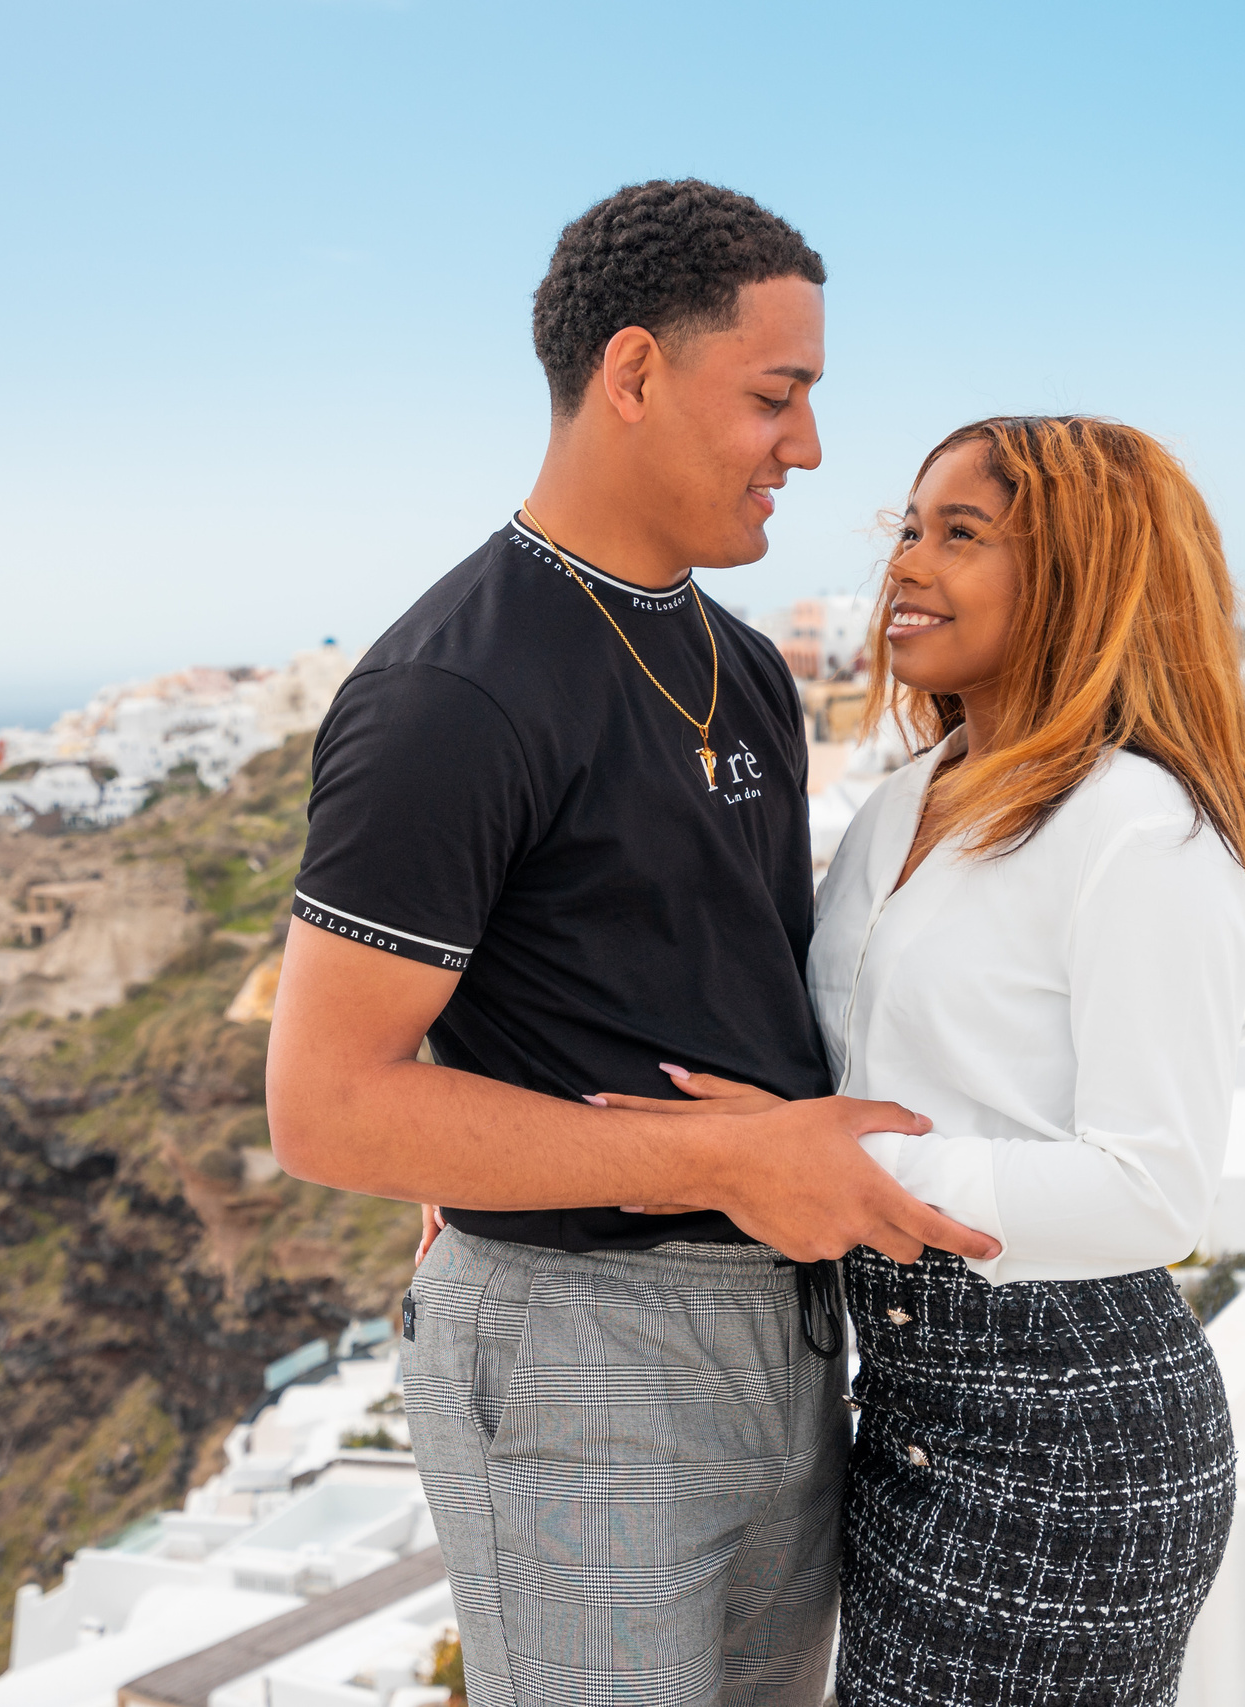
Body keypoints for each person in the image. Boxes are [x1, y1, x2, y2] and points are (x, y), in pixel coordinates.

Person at [263, 180, 999, 1707]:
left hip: (784, 1336)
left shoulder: (739, 663)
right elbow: (325, 1105)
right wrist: (718, 1162)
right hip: (577, 1352)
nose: (807, 448)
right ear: (637, 372)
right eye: (777, 397)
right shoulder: (449, 696)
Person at [619, 416, 1245, 1703]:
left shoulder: (1139, 831)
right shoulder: (903, 803)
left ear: (1087, 578)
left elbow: (1155, 1192)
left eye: (962, 535)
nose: (908, 566)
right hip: (908, 1412)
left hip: (1072, 1440)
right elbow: (817, 1067)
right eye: (909, 530)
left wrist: (844, 1171)